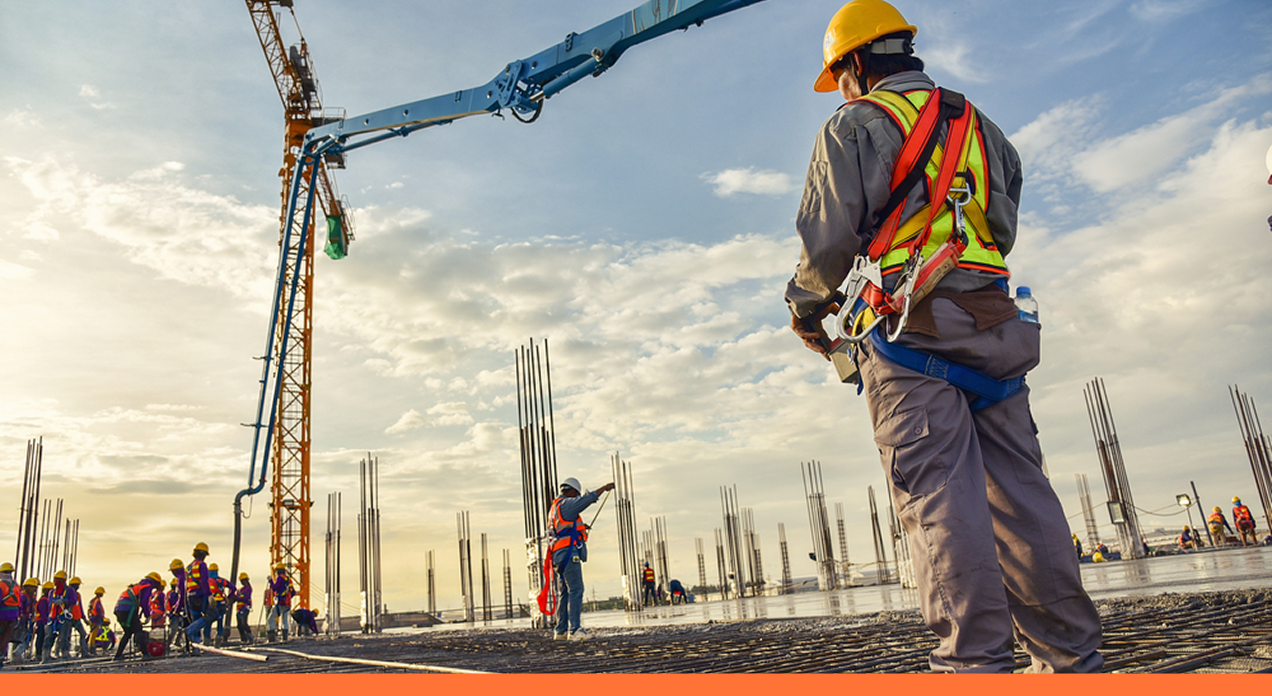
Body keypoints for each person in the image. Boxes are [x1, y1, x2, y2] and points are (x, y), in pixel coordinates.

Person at [785, 0, 1103, 673]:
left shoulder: (854, 124)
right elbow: (1001, 226)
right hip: (996, 327)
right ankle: (1073, 661)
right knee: (1023, 498)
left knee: (940, 504)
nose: (839, 89)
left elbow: (828, 239)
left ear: (855, 63)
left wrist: (807, 309)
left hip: (910, 335)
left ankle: (974, 667)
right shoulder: (980, 125)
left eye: (839, 76)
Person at [548, 477, 615, 641]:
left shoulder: (555, 507)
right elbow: (587, 500)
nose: (576, 498)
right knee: (576, 589)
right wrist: (604, 488)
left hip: (558, 555)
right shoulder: (567, 504)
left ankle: (561, 631)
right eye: (576, 495)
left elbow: (562, 529)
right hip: (568, 554)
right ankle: (575, 630)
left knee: (565, 592)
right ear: (572, 491)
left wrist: (581, 528)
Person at [113, 572, 163, 661]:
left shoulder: (138, 586)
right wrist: (147, 615)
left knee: (128, 632)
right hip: (127, 609)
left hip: (119, 609)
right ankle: (145, 654)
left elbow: (138, 602)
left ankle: (118, 655)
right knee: (138, 630)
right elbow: (144, 602)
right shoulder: (147, 586)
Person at [184, 542, 213, 645]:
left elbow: (186, 584)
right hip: (200, 595)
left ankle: (196, 646)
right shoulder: (202, 565)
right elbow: (204, 582)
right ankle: (190, 630)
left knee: (196, 618)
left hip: (190, 596)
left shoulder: (189, 567)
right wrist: (209, 595)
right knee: (212, 615)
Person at [58, 576, 88, 659]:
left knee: (83, 634)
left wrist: (84, 618)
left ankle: (84, 652)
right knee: (66, 636)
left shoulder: (78, 595)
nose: (78, 587)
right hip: (69, 618)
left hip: (77, 618)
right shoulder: (67, 593)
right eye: (77, 585)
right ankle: (64, 653)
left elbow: (80, 607)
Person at [267, 562, 296, 642]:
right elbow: (293, 592)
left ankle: (271, 637)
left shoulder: (280, 578)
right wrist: (287, 598)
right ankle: (284, 637)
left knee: (271, 619)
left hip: (280, 602)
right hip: (287, 603)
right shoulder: (288, 579)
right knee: (284, 620)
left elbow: (275, 588)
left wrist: (270, 581)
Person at [13, 578, 39, 664]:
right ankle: (17, 653)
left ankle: (16, 656)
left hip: (28, 620)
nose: (34, 589)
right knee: (20, 638)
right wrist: (21, 615)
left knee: (25, 637)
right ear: (27, 587)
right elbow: (19, 606)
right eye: (33, 587)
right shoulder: (23, 596)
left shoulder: (31, 597)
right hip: (22, 620)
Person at [0, 563, 20, 669]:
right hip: (13, 616)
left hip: (2, 616)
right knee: (6, 638)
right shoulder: (16, 586)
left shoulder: (1, 585)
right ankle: (1, 657)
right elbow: (19, 602)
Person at [86, 586, 107, 656]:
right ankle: (91, 649)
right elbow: (98, 610)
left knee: (92, 634)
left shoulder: (93, 600)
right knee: (93, 635)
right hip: (96, 619)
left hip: (93, 618)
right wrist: (101, 617)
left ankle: (91, 648)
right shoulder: (96, 601)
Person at [235, 572, 254, 644]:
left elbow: (246, 598)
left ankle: (250, 637)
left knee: (244, 623)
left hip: (245, 608)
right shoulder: (240, 590)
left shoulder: (248, 589)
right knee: (239, 625)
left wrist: (238, 598)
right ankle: (243, 639)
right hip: (239, 609)